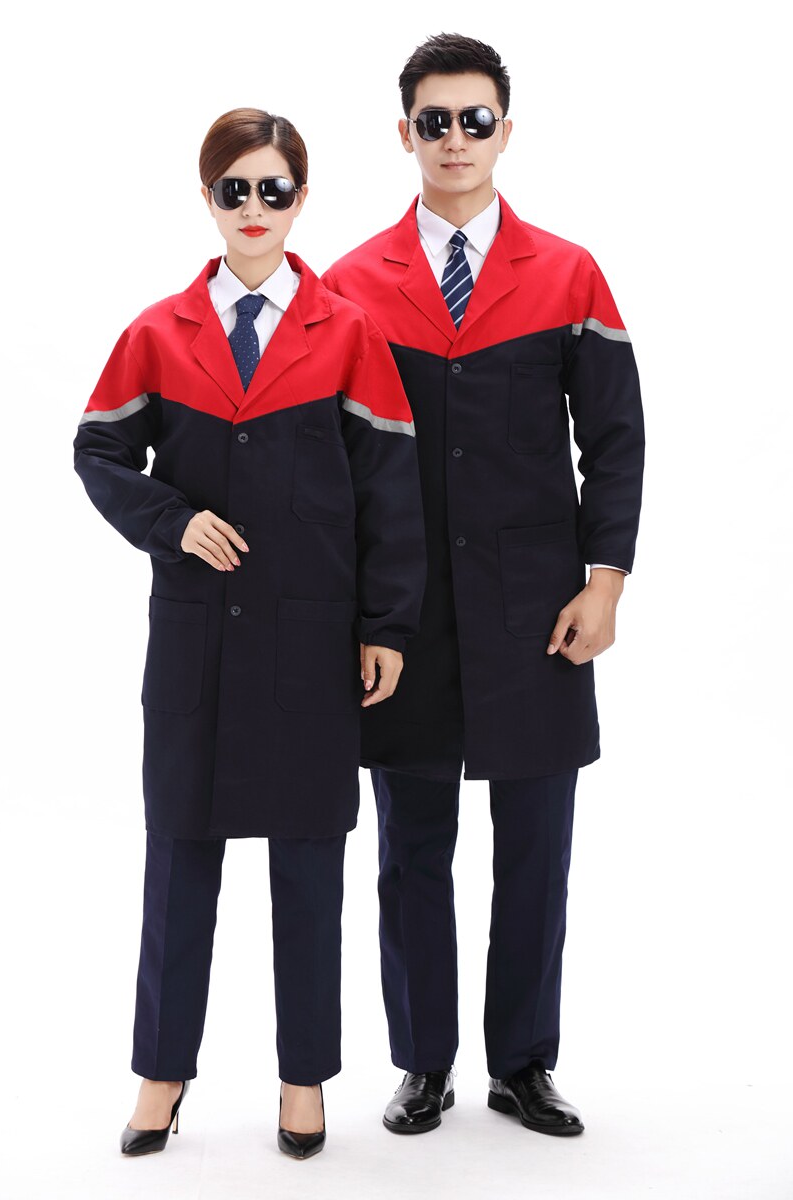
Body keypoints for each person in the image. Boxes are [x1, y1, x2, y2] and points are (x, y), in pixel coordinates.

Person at [73, 107, 426, 1160]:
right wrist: (171, 521)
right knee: (179, 861)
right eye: (236, 189)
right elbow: (97, 452)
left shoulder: (347, 332)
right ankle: (162, 1072)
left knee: (309, 869)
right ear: (208, 199)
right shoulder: (158, 331)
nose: (256, 208)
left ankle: (303, 1077)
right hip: (194, 646)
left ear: (301, 198)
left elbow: (391, 494)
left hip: (312, 647)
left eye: (275, 189)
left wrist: (387, 626)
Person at [322, 34, 644, 1137]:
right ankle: (423, 1062)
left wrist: (604, 583)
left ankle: (522, 1063)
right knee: (410, 849)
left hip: (537, 611)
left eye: (474, 119)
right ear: (403, 133)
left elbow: (613, 438)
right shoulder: (352, 284)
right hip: (403, 617)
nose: (454, 138)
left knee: (535, 852)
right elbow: (332, 462)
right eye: (434, 120)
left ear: (505, 131)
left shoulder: (567, 274)